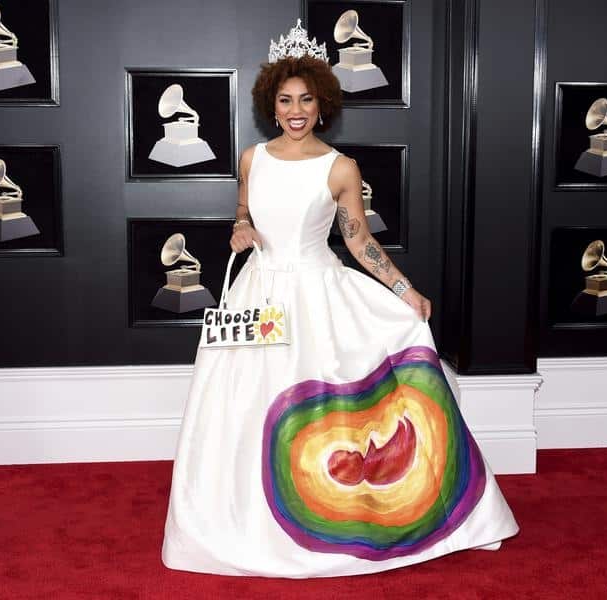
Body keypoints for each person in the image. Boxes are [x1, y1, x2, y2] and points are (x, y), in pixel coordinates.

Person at [161, 20, 518, 578]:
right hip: (257, 295)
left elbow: (357, 239)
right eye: (285, 100)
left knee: (321, 405)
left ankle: (344, 514)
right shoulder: (252, 158)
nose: (295, 109)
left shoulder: (340, 168)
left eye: (306, 99)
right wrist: (239, 229)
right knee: (243, 405)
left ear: (322, 103)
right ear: (271, 105)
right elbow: (243, 211)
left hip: (316, 295)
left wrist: (405, 290)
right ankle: (240, 523)